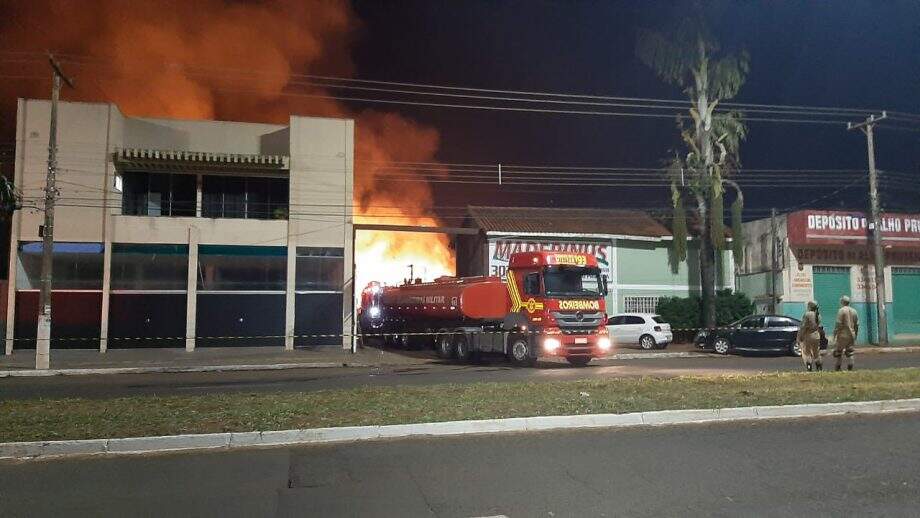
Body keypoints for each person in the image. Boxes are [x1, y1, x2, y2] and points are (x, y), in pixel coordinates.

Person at [833, 295, 858, 371]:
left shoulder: (841, 310)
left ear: (842, 302)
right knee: (850, 352)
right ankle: (850, 367)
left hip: (842, 334)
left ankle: (838, 367)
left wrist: (835, 333)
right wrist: (855, 334)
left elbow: (838, 323)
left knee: (839, 352)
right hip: (852, 334)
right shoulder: (854, 311)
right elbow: (857, 324)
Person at [797, 301, 822, 371]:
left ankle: (809, 367)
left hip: (808, 336)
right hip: (816, 335)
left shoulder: (807, 314)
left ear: (809, 306)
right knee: (816, 352)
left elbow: (803, 327)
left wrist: (799, 336)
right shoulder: (818, 315)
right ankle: (819, 367)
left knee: (806, 352)